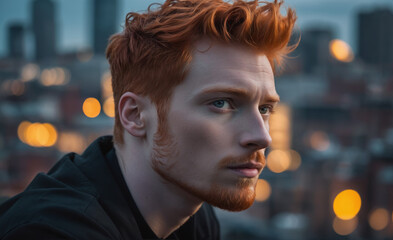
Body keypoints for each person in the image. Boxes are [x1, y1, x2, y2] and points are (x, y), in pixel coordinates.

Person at [0, 0, 297, 239]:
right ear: (135, 115)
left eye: (265, 108)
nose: (262, 137)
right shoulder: (52, 232)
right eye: (221, 103)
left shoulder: (193, 215)